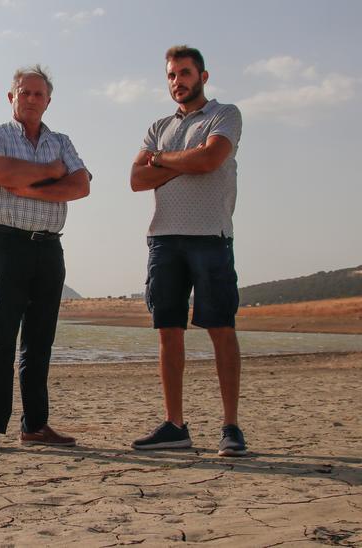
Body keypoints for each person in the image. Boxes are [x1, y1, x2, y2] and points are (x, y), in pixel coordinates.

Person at [128, 46, 247, 457]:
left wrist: (164, 161)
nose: (177, 81)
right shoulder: (158, 126)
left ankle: (230, 426)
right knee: (168, 331)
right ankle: (175, 426)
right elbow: (138, 179)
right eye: (171, 75)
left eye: (184, 73)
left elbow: (212, 158)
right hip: (163, 238)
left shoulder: (224, 115)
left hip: (210, 236)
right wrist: (183, 160)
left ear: (203, 76)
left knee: (220, 329)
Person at [0, 65, 91, 451]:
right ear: (11, 97)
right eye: (25, 93)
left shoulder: (62, 141)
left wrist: (26, 186)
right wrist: (50, 173)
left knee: (40, 341)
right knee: (0, 337)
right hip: (5, 243)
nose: (32, 99)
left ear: (48, 101)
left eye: (39, 94)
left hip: (48, 246)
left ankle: (35, 426)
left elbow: (81, 185)